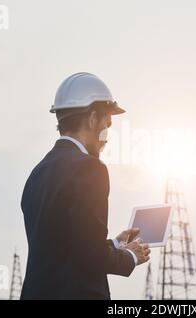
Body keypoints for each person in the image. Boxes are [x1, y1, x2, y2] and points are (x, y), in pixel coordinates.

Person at [21, 72, 150, 299]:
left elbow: (65, 248)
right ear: (92, 119)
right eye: (107, 124)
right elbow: (90, 256)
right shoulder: (91, 169)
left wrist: (114, 244)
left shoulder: (38, 172)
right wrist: (130, 256)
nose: (107, 136)